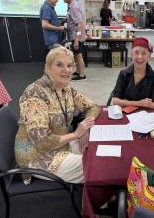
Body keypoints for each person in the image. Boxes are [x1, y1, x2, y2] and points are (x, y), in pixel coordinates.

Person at [14, 46, 101, 184]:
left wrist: (85, 126)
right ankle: (102, 201)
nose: (66, 70)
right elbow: (42, 143)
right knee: (96, 164)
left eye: (69, 65)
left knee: (98, 149)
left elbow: (93, 107)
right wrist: (76, 134)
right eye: (59, 65)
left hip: (62, 144)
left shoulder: (66, 89)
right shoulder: (35, 94)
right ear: (48, 67)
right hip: (38, 156)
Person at [111, 37, 154, 109]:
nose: (140, 57)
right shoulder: (124, 74)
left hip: (146, 115)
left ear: (149, 56)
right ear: (132, 55)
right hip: (126, 113)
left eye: (144, 53)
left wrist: (125, 102)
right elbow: (115, 101)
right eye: (136, 52)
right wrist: (140, 103)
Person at [62, 0, 86, 80]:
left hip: (77, 36)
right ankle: (79, 71)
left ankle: (82, 75)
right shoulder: (71, 6)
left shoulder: (74, 7)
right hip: (73, 35)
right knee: (76, 54)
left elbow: (80, 24)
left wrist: (76, 40)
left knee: (79, 55)